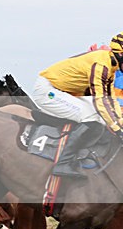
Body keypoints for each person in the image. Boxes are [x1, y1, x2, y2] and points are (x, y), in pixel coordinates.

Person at [32, 32, 123, 178]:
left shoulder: (111, 68)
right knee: (91, 116)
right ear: (120, 53)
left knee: (101, 118)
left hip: (63, 92)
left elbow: (111, 101)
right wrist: (118, 130)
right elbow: (100, 100)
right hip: (48, 91)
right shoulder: (102, 64)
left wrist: (120, 126)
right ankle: (63, 163)